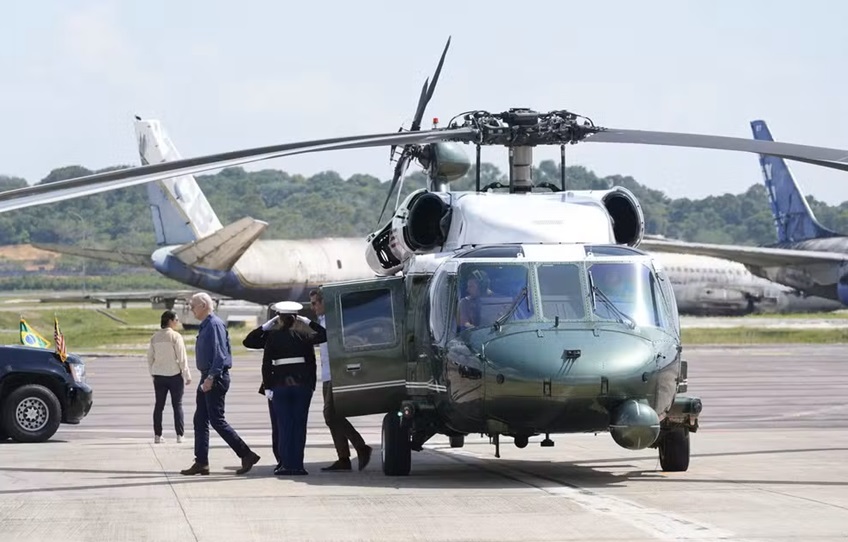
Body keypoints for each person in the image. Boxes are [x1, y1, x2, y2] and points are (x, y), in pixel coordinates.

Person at [180, 292, 261, 476]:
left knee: (216, 420)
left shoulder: (214, 325)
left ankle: (246, 454)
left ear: (203, 306)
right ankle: (201, 462)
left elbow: (219, 355)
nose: (190, 309)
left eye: (192, 306)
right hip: (207, 376)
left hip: (214, 377)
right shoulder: (206, 325)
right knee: (200, 419)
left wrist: (211, 378)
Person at [259, 300, 326, 475]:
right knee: (299, 425)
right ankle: (297, 465)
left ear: (279, 318)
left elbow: (265, 363)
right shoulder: (304, 335)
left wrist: (267, 387)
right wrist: (307, 321)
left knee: (284, 426)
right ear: (296, 318)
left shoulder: (272, 336)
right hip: (302, 386)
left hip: (280, 385)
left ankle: (285, 464)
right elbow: (325, 334)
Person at [309, 289, 373, 472]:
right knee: (333, 417)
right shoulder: (321, 321)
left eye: (315, 303)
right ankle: (343, 458)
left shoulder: (333, 320)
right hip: (327, 374)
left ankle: (361, 446)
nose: (312, 307)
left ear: (324, 302)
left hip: (336, 373)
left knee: (330, 415)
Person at [242, 306, 292, 467]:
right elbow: (248, 341)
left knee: (287, 425)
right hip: (279, 385)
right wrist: (264, 327)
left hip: (287, 385)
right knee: (279, 426)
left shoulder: (298, 334)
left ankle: (288, 458)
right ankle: (282, 459)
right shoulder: (273, 334)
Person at [147, 310, 191, 444]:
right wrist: (186, 374)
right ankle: (179, 435)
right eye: (176, 320)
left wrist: (152, 373)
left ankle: (157, 435)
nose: (177, 322)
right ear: (170, 321)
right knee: (177, 405)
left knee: (159, 406)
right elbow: (182, 357)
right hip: (174, 375)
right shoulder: (176, 337)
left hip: (159, 375)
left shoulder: (155, 337)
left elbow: (150, 358)